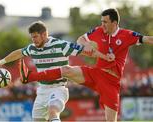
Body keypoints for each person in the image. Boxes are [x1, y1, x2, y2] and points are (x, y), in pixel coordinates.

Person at [19, 9, 153, 122]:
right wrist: (86, 44)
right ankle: (31, 77)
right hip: (95, 73)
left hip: (111, 82)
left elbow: (147, 39)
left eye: (105, 22)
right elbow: (80, 40)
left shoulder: (127, 35)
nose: (102, 25)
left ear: (114, 23)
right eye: (101, 22)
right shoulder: (98, 31)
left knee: (111, 120)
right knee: (66, 70)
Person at [0, 21, 114, 122]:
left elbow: (84, 51)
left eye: (36, 37)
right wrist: (1, 62)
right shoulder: (33, 48)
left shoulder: (60, 45)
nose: (34, 40)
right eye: (32, 37)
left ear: (44, 34)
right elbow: (19, 52)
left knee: (53, 110)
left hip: (58, 89)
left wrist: (105, 56)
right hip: (42, 90)